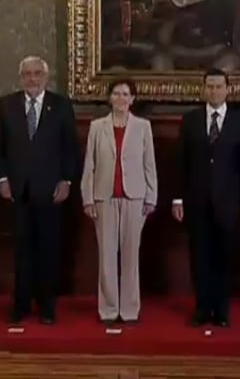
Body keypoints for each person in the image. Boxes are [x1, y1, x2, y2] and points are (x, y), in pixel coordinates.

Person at [0, 56, 80, 325]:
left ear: (46, 77)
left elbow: (70, 147)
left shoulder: (61, 105)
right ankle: (20, 304)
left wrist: (66, 180)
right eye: (27, 74)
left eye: (37, 73)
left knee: (48, 250)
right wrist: (1, 179)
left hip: (50, 190)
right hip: (18, 190)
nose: (32, 78)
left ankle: (46, 305)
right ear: (21, 77)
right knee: (21, 250)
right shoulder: (7, 104)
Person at [172, 68, 240, 327]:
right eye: (210, 86)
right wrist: (177, 198)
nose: (214, 91)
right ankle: (202, 308)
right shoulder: (191, 120)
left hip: (229, 202)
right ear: (203, 89)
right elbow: (181, 162)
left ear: (227, 90)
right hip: (196, 200)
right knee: (200, 257)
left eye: (219, 86)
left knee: (224, 258)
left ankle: (221, 310)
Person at [81, 79, 158, 324]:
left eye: (126, 94)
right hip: (104, 197)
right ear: (110, 98)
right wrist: (88, 198)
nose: (121, 98)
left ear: (132, 99)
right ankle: (108, 309)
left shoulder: (143, 127)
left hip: (135, 197)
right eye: (116, 93)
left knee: (130, 255)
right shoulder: (97, 127)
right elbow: (90, 165)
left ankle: (130, 309)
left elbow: (149, 164)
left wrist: (151, 196)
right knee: (106, 255)